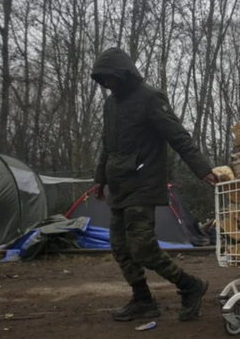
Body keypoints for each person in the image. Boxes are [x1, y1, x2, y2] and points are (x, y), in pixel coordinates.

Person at [91, 47, 218, 322]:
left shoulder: (150, 98)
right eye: (103, 80)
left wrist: (202, 168)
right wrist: (99, 179)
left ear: (123, 74)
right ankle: (143, 300)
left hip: (144, 183)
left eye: (110, 78)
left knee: (143, 247)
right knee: (120, 248)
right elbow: (107, 145)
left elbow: (178, 136)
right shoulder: (110, 104)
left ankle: (190, 285)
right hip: (119, 186)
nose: (108, 84)